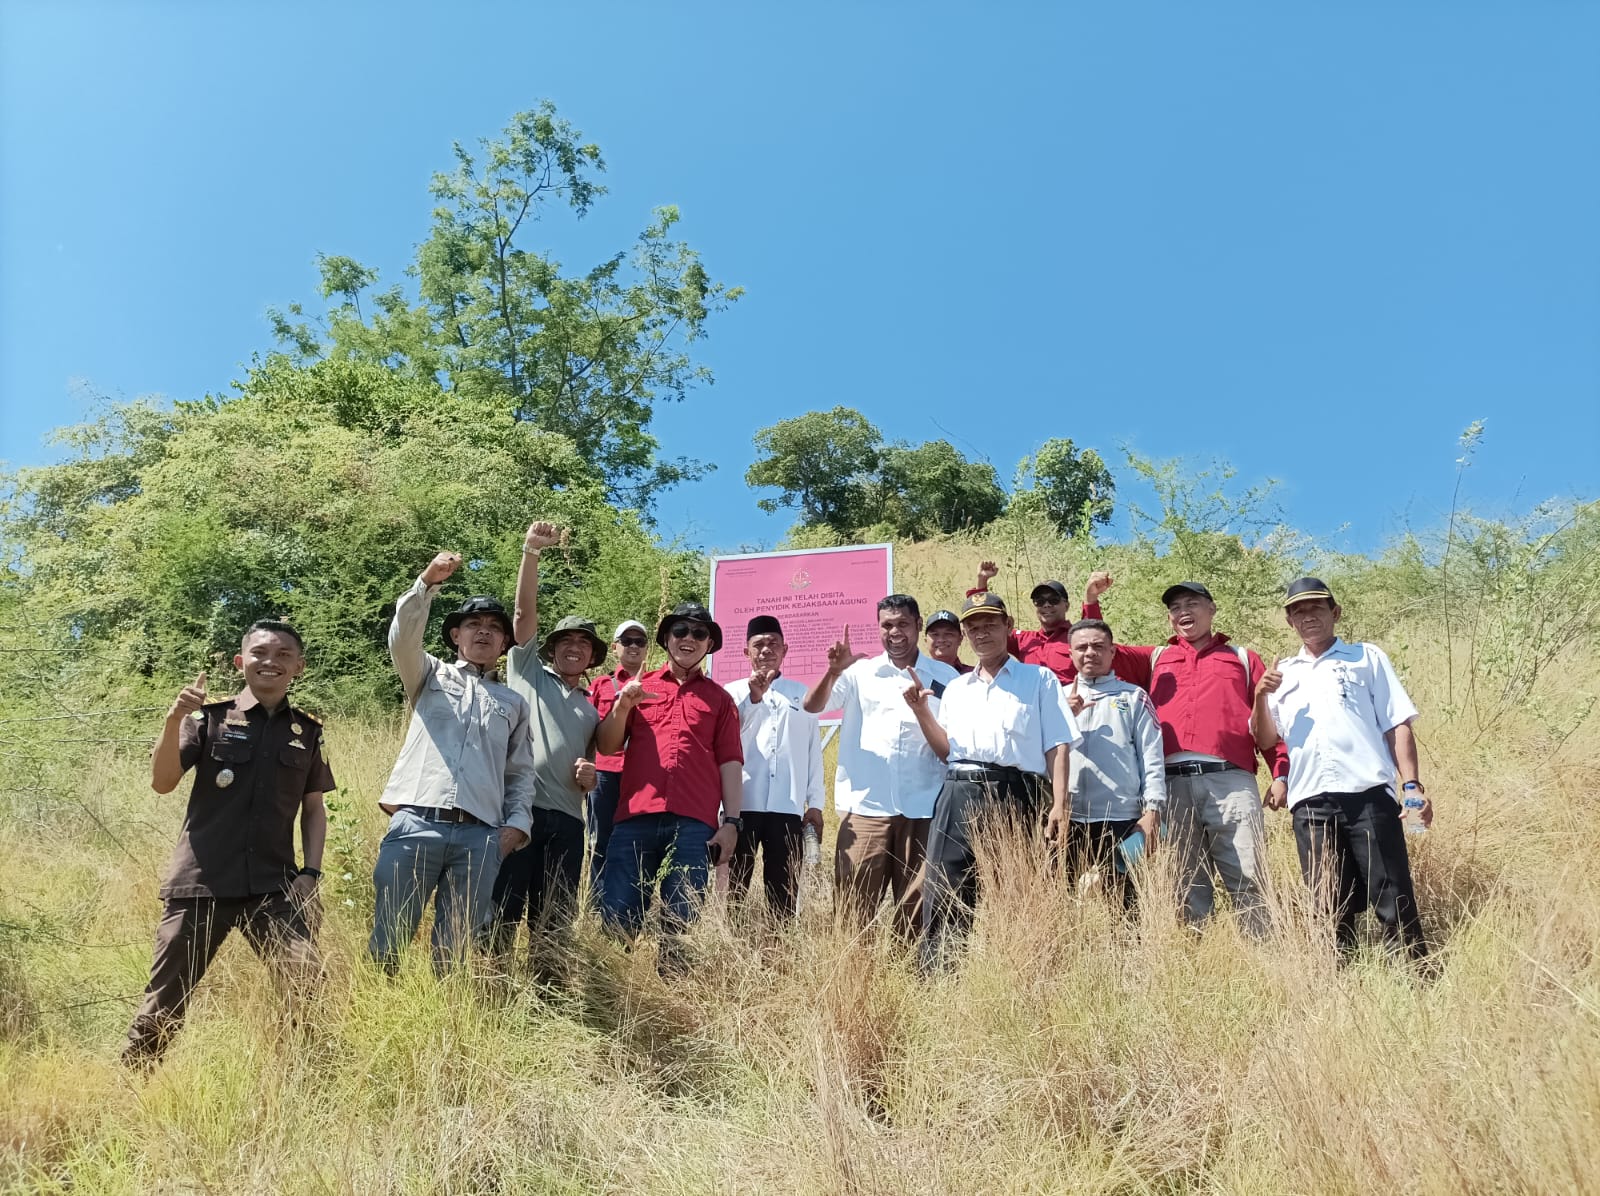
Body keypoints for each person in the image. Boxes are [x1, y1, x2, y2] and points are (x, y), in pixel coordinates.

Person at [123, 621, 332, 1067]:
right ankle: (132, 1083)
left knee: (308, 981)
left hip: (274, 888)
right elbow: (162, 783)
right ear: (241, 662)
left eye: (281, 655)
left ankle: (305, 1079)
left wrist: (310, 874)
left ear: (299, 666)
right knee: (166, 1002)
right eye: (259, 653)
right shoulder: (208, 718)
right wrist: (173, 718)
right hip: (202, 884)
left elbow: (313, 810)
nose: (269, 662)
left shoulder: (308, 732)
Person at [368, 553, 534, 973]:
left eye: (495, 627)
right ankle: (374, 1016)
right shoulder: (428, 675)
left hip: (481, 837)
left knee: (455, 951)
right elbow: (402, 638)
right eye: (475, 624)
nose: (485, 631)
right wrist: (426, 583)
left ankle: (450, 1028)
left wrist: (515, 828)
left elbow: (520, 773)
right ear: (456, 635)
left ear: (504, 644)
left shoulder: (513, 703)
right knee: (390, 936)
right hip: (416, 823)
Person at [1252, 577, 1431, 959]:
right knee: (1326, 899)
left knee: (1391, 891)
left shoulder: (1365, 657)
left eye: (1316, 607)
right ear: (1289, 622)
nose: (1308, 616)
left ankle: (1414, 974)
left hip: (1367, 794)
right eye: (1298, 611)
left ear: (1335, 612)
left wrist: (1411, 785)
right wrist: (1260, 697)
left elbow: (1396, 722)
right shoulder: (1283, 673)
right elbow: (1266, 739)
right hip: (1310, 802)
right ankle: (1338, 977)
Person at [1099, 580, 1288, 937]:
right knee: (1185, 881)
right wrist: (1091, 602)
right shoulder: (1154, 658)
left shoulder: (1242, 659)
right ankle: (1196, 959)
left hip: (1230, 780)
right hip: (1170, 784)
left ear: (1212, 609)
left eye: (1192, 603)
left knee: (1247, 872)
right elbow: (1099, 649)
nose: (1183, 612)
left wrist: (1280, 773)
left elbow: (1266, 723)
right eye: (1175, 608)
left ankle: (1265, 956)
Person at [903, 592, 1080, 966]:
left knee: (1017, 887)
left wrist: (1060, 804)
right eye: (974, 628)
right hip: (958, 791)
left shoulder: (1038, 679)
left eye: (990, 625)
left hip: (1014, 792)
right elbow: (948, 751)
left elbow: (1058, 745)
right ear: (966, 635)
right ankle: (941, 976)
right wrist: (922, 713)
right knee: (947, 887)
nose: (982, 634)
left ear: (1008, 626)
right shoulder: (957, 688)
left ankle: (1020, 972)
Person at [595, 601, 743, 970]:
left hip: (694, 824)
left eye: (699, 633)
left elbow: (730, 761)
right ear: (666, 639)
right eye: (680, 631)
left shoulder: (720, 700)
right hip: (635, 818)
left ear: (710, 644)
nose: (688, 638)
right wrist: (622, 708)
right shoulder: (637, 688)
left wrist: (732, 822)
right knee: (618, 914)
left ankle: (673, 1000)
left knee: (682, 921)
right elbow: (607, 746)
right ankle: (612, 998)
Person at [487, 520, 604, 978]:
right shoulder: (527, 673)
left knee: (555, 918)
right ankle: (493, 992)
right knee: (503, 910)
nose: (574, 648)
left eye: (583, 643)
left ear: (593, 656)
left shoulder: (592, 709)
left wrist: (591, 776)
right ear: (551, 649)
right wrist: (531, 552)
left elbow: (595, 760)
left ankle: (548, 998)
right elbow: (522, 615)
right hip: (521, 812)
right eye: (565, 641)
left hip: (569, 822)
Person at [803, 595, 958, 940]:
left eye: (903, 623)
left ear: (918, 626)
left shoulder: (946, 676)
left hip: (924, 807)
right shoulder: (859, 672)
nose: (895, 632)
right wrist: (833, 671)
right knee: (853, 910)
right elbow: (813, 706)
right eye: (887, 625)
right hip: (866, 808)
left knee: (916, 911)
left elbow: (952, 745)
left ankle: (907, 985)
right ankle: (853, 981)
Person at [1045, 618, 1165, 908]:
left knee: (1124, 909)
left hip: (1120, 816)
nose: (1090, 653)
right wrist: (1066, 718)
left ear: (1113, 652)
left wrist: (1153, 809)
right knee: (1060, 903)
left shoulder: (1134, 697)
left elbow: (1152, 755)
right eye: (1082, 647)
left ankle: (1125, 955)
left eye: (1099, 646)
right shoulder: (1055, 698)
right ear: (1070, 653)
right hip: (1067, 817)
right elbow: (1039, 754)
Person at [723, 616, 826, 919]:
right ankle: (735, 947)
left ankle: (779, 951)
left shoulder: (801, 693)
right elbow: (726, 740)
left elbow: (812, 751)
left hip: (787, 804)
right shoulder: (730, 692)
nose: (766, 650)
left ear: (785, 650)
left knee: (783, 889)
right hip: (742, 803)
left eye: (773, 644)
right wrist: (753, 698)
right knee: (735, 886)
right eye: (759, 644)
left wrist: (816, 804)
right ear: (746, 652)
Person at [969, 561, 1149, 687]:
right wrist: (982, 582)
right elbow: (990, 626)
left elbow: (1094, 631)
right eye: (1040, 601)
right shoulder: (1024, 640)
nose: (1046, 605)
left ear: (1066, 605)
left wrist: (1090, 598)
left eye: (1053, 600)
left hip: (1074, 711)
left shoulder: (1077, 639)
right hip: (1034, 714)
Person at [587, 618, 649, 904]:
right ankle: (597, 904)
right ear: (615, 648)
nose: (634, 646)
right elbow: (586, 731)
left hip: (641, 777)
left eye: (640, 641)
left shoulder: (659, 684)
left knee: (638, 842)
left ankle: (629, 905)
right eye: (627, 641)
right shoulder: (600, 685)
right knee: (600, 840)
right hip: (605, 773)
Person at [924, 609, 973, 675]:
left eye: (948, 634)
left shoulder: (973, 676)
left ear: (960, 639)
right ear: (926, 640)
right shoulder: (916, 675)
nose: (941, 639)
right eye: (935, 634)